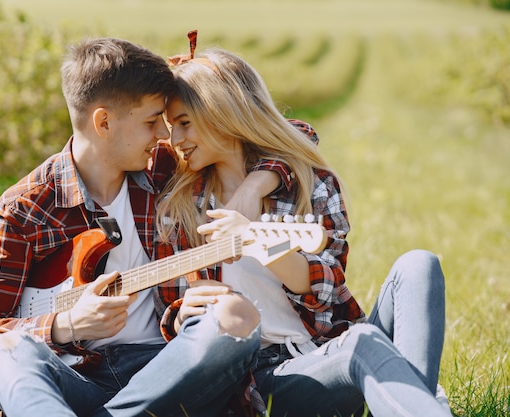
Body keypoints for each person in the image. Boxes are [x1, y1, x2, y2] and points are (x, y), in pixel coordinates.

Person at [0, 37, 285, 417]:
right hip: (76, 377)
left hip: (167, 369)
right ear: (104, 122)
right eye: (150, 122)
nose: (164, 135)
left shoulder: (165, 171)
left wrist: (258, 183)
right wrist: (66, 325)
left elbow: (283, 134)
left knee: (235, 323)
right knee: (7, 349)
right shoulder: (25, 209)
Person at [155, 43, 451, 417]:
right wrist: (181, 317)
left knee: (418, 265)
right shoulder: (179, 207)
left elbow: (328, 290)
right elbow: (168, 308)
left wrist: (258, 230)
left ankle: (408, 402)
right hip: (267, 376)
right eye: (170, 127)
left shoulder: (311, 185)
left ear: (222, 111)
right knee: (362, 343)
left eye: (184, 123)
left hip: (330, 345)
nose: (175, 140)